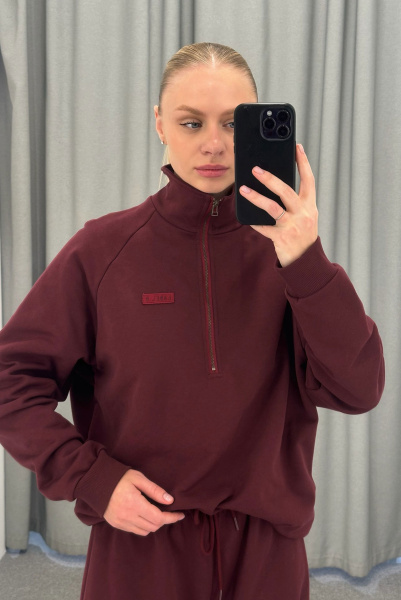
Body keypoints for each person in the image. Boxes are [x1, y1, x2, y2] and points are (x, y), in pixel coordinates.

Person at [0, 42, 384, 600]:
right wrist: (91, 478)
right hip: (140, 546)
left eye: (232, 123)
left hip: (266, 551)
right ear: (160, 123)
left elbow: (359, 389)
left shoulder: (290, 257)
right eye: (191, 122)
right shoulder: (101, 251)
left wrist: (306, 258)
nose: (214, 144)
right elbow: (10, 381)